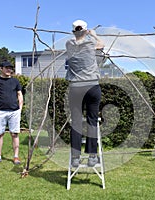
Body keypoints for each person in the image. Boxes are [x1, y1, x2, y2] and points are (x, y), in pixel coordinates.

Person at [65, 19, 105, 167]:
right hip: (92, 86)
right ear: (86, 31)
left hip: (75, 88)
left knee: (76, 122)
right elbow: (102, 45)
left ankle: (75, 157)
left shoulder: (69, 45)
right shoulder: (90, 44)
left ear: (73, 31)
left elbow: (77, 39)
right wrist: (94, 35)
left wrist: (84, 34)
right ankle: (92, 156)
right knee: (92, 121)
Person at [0, 61, 24, 165]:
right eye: (7, 68)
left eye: (11, 68)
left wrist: (20, 108)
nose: (9, 70)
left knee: (15, 134)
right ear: (1, 68)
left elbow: (19, 94)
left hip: (14, 112)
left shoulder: (15, 81)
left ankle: (16, 157)